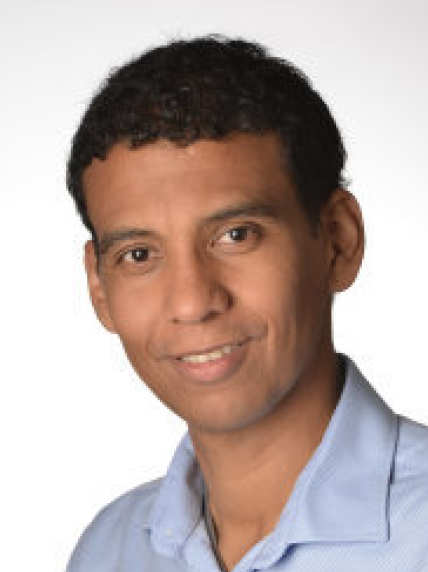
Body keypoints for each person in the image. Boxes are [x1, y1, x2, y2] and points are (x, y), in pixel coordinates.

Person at [65, 35, 428, 572]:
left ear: (338, 240)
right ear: (100, 287)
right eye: (139, 254)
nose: (193, 302)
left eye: (236, 235)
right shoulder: (109, 550)